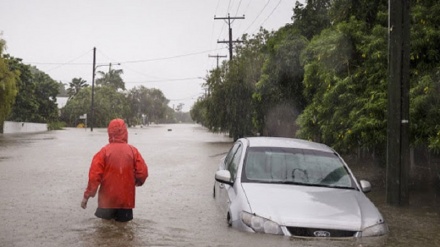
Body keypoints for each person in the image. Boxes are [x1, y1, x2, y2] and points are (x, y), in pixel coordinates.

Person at [81, 118, 148, 222]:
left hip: (106, 202)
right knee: (123, 231)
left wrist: (86, 196)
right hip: (126, 201)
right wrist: (135, 182)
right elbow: (142, 173)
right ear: (125, 132)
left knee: (105, 232)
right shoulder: (133, 151)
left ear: (109, 132)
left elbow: (94, 177)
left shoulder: (103, 152)